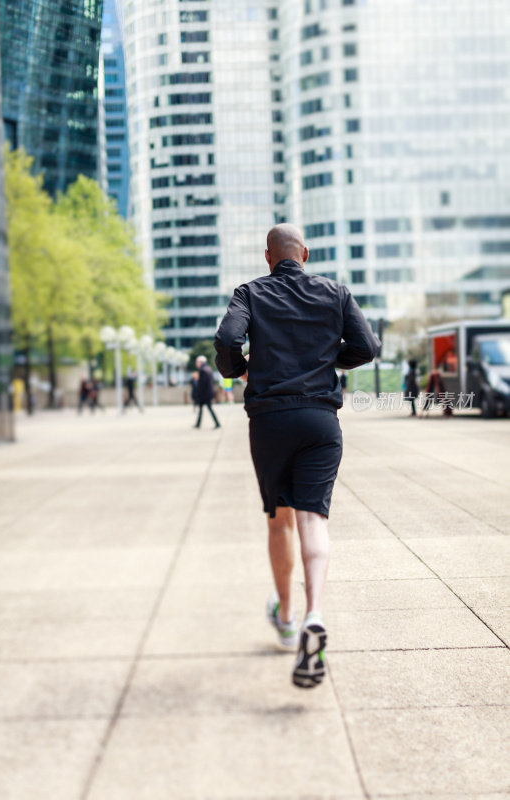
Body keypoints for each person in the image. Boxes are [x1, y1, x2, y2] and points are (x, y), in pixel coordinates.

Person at [215, 223, 379, 689]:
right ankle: (314, 614)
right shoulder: (336, 293)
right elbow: (367, 347)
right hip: (320, 423)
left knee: (279, 520)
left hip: (270, 422)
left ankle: (286, 617)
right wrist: (327, 361)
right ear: (304, 253)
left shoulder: (250, 292)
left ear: (268, 256)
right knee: (313, 520)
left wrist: (244, 370)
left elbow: (227, 341)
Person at [194, 356, 221, 429]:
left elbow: (201, 384)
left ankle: (217, 423)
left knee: (208, 409)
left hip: (204, 394)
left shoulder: (202, 370)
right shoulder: (208, 369)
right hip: (208, 393)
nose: (196, 364)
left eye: (197, 362)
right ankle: (198, 424)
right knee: (202, 409)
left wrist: (198, 393)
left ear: (200, 362)